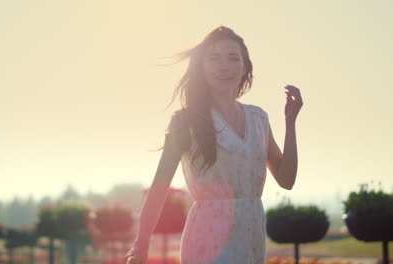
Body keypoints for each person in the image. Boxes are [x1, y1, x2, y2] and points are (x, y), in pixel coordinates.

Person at [124, 25, 303, 264]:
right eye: (214, 58)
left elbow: (286, 180)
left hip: (252, 237)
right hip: (208, 239)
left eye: (233, 58)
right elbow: (159, 189)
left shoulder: (258, 118)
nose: (224, 66)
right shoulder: (185, 121)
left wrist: (290, 126)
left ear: (244, 67)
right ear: (202, 68)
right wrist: (141, 245)